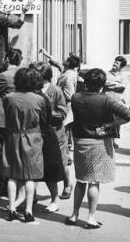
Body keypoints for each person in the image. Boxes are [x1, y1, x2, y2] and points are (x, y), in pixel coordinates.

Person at [65, 68, 130, 229]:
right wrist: (110, 125)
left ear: (86, 83)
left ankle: (74, 215)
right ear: (103, 85)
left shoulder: (76, 97)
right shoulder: (106, 100)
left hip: (80, 142)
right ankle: (91, 218)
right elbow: (129, 115)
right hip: (99, 143)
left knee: (81, 180)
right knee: (94, 182)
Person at [2, 68, 48, 223]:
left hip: (13, 136)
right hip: (32, 137)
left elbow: (7, 117)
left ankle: (12, 208)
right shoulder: (39, 99)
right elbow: (45, 120)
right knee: (30, 176)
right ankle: (28, 210)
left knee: (13, 175)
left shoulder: (8, 98)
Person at [0, 48, 23, 197]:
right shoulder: (23, 74)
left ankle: (4, 184)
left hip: (4, 119)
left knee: (2, 154)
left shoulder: (4, 76)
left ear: (7, 60)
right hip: (19, 118)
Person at [31, 61, 66, 213]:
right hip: (35, 133)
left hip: (52, 133)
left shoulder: (56, 90)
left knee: (51, 168)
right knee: (34, 166)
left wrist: (46, 112)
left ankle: (54, 199)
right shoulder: (31, 91)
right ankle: (31, 196)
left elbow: (63, 113)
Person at [54, 53, 81, 199]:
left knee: (63, 137)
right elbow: (58, 64)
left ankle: (67, 184)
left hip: (65, 107)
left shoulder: (68, 76)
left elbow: (70, 94)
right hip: (64, 106)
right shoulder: (69, 73)